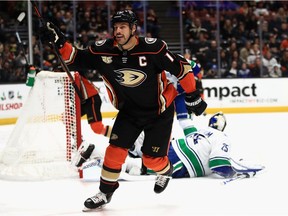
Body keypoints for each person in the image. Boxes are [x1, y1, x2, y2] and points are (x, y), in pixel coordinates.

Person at [39, 10, 207, 211]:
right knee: (114, 152)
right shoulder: (103, 51)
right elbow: (75, 58)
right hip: (129, 112)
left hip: (159, 111)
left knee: (151, 160)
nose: (118, 31)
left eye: (123, 27)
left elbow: (182, 68)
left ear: (134, 29)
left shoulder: (153, 48)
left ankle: (166, 170)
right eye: (116, 27)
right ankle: (105, 193)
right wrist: (59, 42)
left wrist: (192, 95)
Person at [79, 112, 264, 180]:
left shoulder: (199, 132)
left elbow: (184, 120)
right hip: (180, 160)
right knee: (137, 168)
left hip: (171, 145)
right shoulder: (222, 136)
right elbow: (219, 165)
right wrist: (237, 172)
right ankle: (95, 151)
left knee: (135, 157)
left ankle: (96, 150)